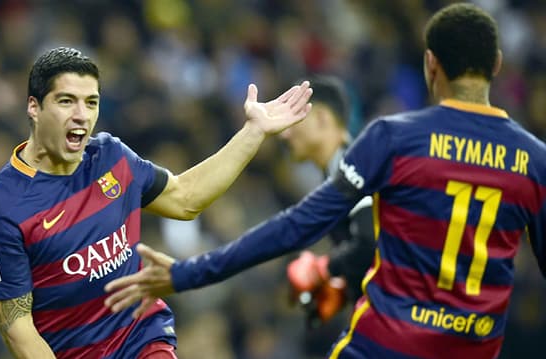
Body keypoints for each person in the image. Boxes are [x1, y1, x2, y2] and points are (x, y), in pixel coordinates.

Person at [103, 4, 546, 358]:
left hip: (386, 346)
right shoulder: (535, 160)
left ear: (430, 64)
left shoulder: (395, 138)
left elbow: (299, 225)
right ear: (498, 65)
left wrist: (186, 274)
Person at [0, 46, 312, 359]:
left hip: (142, 339)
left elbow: (185, 199)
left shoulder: (110, 157)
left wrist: (252, 133)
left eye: (91, 102)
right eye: (66, 101)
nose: (82, 116)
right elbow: (17, 329)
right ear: (34, 107)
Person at [279, 76, 374, 332]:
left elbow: (371, 240)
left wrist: (325, 268)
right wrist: (343, 288)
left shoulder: (351, 166)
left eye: (295, 119)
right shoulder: (334, 172)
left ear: (321, 118)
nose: (285, 133)